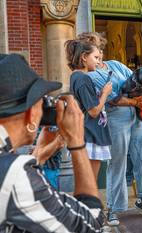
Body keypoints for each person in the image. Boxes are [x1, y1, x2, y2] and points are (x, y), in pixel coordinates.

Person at [0, 53, 104, 232]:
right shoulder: (14, 174)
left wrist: (39, 155)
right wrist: (77, 143)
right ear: (31, 113)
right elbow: (90, 223)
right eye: (42, 102)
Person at [78, 32, 142, 226]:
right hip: (115, 120)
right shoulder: (91, 75)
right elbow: (114, 98)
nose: (101, 53)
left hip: (135, 118)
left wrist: (140, 94)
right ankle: (113, 208)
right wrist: (134, 100)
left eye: (101, 48)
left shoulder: (115, 64)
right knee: (118, 164)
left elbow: (134, 79)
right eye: (96, 49)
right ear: (86, 52)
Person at [65, 39, 113, 181]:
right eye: (96, 57)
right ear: (84, 57)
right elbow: (93, 111)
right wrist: (105, 93)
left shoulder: (76, 77)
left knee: (85, 182)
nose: (98, 62)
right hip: (90, 135)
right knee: (89, 183)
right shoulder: (83, 79)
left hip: (85, 134)